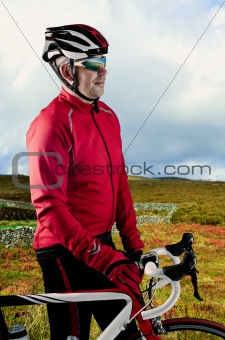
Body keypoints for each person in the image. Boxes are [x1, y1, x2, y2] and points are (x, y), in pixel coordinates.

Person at [26, 24, 146, 340]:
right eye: (93, 64)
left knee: (125, 333)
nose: (103, 72)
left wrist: (133, 247)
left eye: (104, 63)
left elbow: (119, 182)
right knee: (70, 337)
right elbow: (49, 208)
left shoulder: (107, 115)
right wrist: (104, 257)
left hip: (100, 244)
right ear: (67, 70)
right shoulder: (50, 124)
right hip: (63, 251)